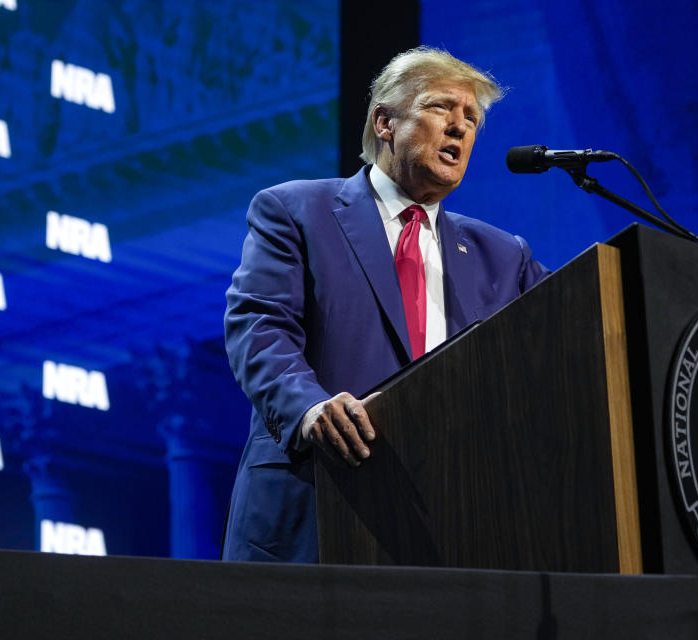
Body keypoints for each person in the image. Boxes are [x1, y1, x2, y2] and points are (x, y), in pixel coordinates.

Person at [221, 47, 550, 562]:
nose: (460, 128)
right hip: (319, 505)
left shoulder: (503, 256)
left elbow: (568, 335)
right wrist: (308, 407)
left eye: (472, 120)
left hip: (450, 523)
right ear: (384, 123)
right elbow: (259, 326)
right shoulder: (296, 211)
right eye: (442, 108)